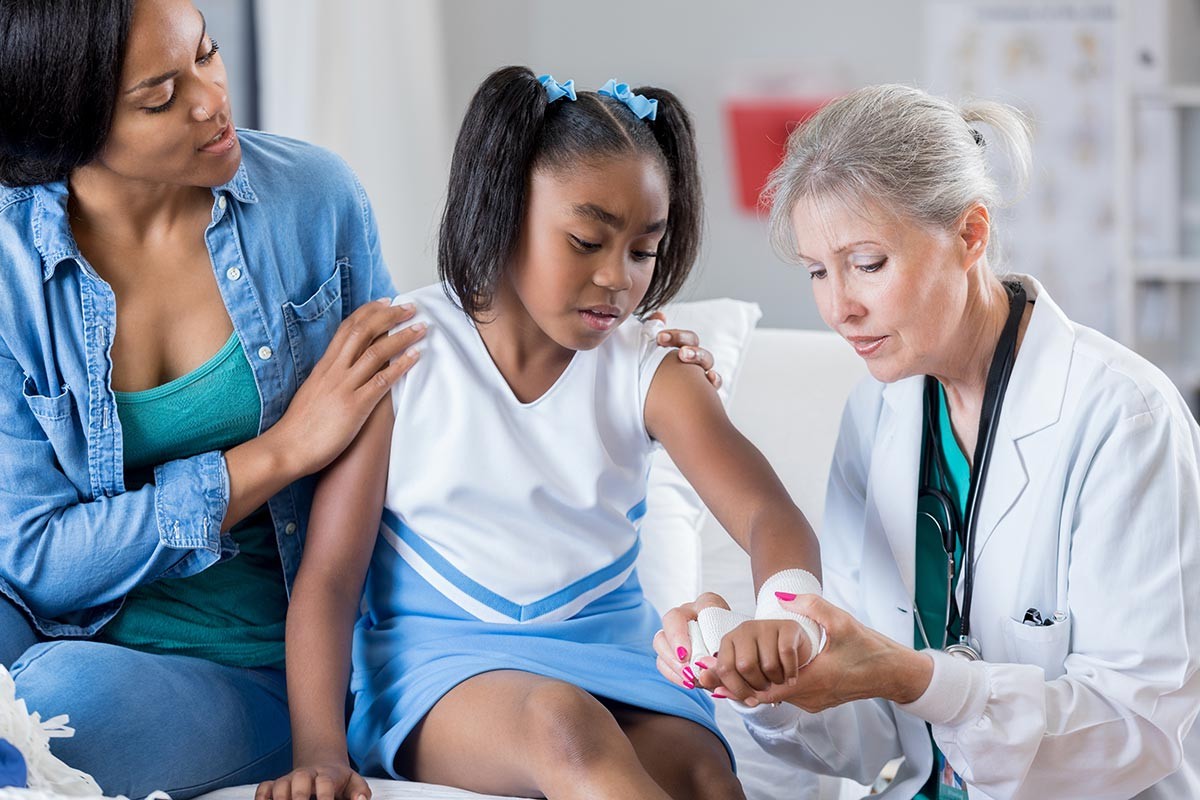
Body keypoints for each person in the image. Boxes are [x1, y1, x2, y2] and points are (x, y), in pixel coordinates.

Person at [0, 4, 714, 796]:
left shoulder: (311, 202)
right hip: (55, 611)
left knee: (53, 707)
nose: (211, 100)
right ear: (65, 125)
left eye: (206, 56)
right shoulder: (10, 272)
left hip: (252, 655)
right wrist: (281, 450)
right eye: (160, 97)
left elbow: (442, 377)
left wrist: (620, 345)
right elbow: (39, 563)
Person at [255, 66, 825, 800]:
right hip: (445, 669)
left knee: (707, 775)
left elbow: (766, 512)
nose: (618, 278)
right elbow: (329, 581)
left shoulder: (651, 366)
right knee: (565, 728)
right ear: (504, 211)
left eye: (643, 250)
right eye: (587, 240)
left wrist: (786, 613)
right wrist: (320, 752)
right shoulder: (401, 357)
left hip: (615, 658)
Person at [664, 84, 1200, 798]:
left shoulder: (1122, 418)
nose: (838, 307)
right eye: (819, 271)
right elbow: (871, 738)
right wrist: (767, 670)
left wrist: (911, 675)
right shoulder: (875, 414)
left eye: (868, 263)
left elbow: (1138, 729)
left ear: (970, 234)